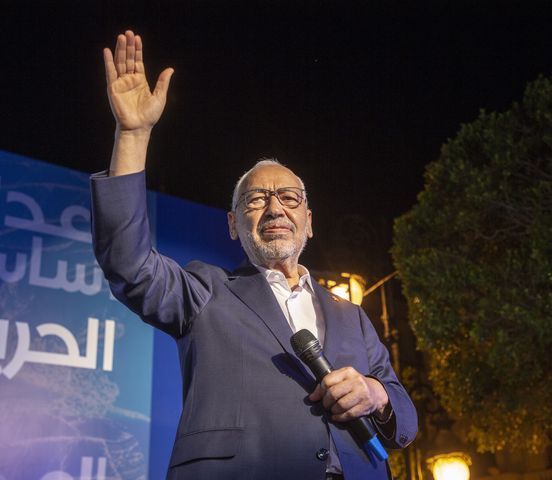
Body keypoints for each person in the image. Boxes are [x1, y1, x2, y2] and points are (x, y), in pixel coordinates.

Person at [90, 30, 417, 480]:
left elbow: (405, 418)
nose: (275, 207)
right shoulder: (204, 291)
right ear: (232, 225)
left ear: (309, 221)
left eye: (288, 197)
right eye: (256, 199)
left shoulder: (353, 317)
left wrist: (375, 392)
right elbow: (127, 261)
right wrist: (132, 134)